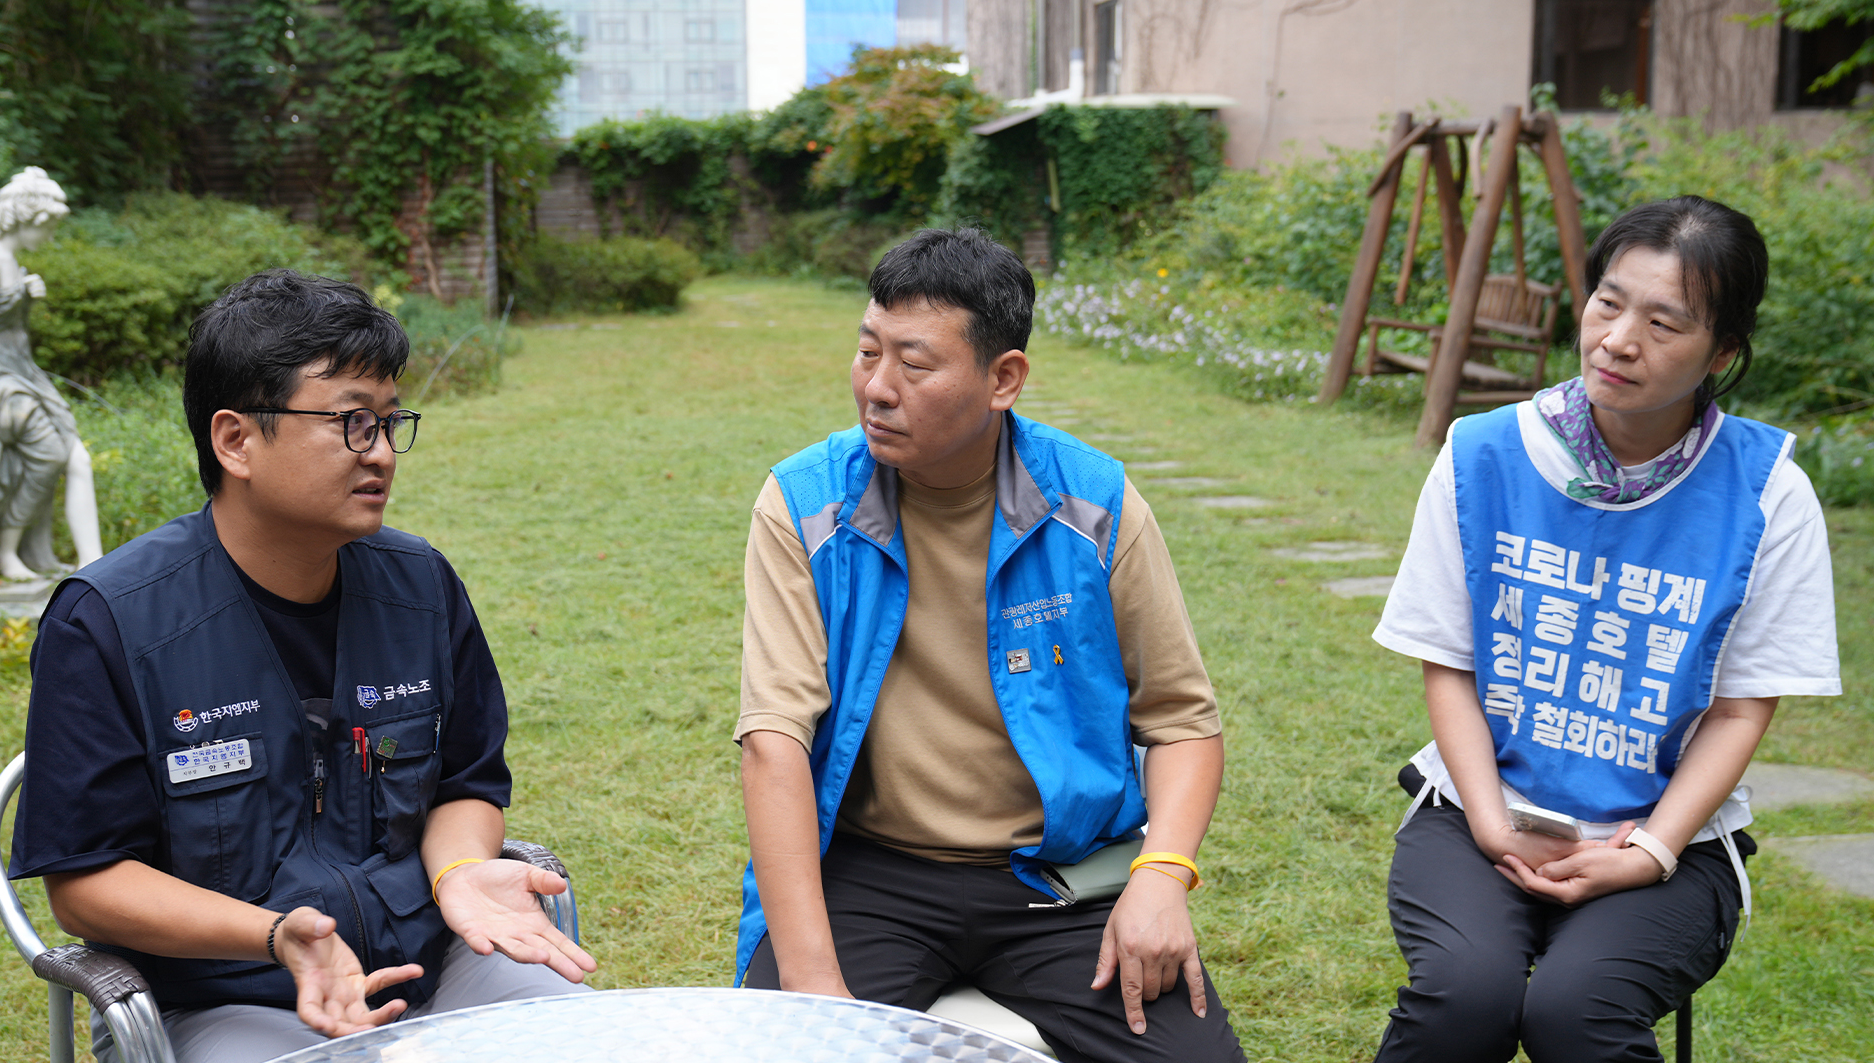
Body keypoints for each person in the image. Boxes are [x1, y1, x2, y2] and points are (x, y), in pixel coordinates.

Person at [9, 269, 596, 1063]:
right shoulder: (110, 620)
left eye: (389, 422)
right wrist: (276, 935)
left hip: (438, 969)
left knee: (588, 1041)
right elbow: (87, 884)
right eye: (352, 422)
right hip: (221, 1004)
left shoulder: (421, 587)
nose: (381, 452)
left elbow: (465, 783)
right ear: (236, 441)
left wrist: (459, 871)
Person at [734, 226, 1244, 1063]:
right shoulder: (806, 504)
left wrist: (1161, 875)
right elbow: (774, 740)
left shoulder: (1093, 503)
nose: (877, 388)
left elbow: (1182, 721)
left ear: (1003, 378)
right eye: (868, 352)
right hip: (871, 870)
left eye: (914, 364)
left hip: (1058, 877)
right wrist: (816, 984)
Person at [1369, 196, 1840, 1063]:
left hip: (1667, 837)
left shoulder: (1770, 493)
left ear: (1722, 353)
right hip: (1478, 810)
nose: (1619, 340)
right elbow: (1451, 667)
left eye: (1665, 324)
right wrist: (1490, 823)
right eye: (1608, 304)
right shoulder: (1481, 454)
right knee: (1464, 999)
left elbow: (1741, 711)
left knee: (1576, 1015)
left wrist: (1652, 851)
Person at [0, 166, 102, 579]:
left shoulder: (8, 262)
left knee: (78, 458)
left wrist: (24, 295)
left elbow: (0, 324)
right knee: (53, 453)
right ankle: (7, 551)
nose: (49, 237)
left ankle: (94, 566)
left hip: (22, 375)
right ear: (27, 220)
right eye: (48, 227)